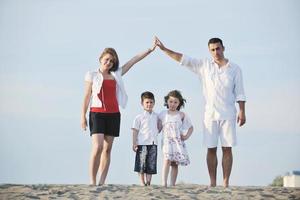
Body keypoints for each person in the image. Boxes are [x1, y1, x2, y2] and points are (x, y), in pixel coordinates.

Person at [155, 37, 246, 187]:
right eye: (212, 49)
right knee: (211, 149)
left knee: (227, 149)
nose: (216, 52)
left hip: (228, 114)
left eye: (218, 48)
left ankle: (225, 182)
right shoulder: (204, 65)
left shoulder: (235, 69)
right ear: (209, 51)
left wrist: (242, 111)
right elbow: (183, 59)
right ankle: (212, 182)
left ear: (223, 48)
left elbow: (240, 92)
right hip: (210, 115)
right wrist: (165, 50)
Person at [81, 42, 156, 185]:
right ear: (101, 58)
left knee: (107, 149)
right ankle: (92, 181)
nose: (109, 62)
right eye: (107, 59)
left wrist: (149, 50)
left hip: (114, 114)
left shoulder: (116, 74)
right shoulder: (91, 75)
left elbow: (133, 60)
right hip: (96, 113)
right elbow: (86, 96)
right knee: (97, 147)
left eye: (112, 61)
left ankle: (101, 182)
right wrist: (82, 117)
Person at [159, 90, 193, 187]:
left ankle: (172, 184)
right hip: (166, 142)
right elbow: (158, 127)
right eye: (171, 102)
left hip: (177, 142)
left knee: (175, 163)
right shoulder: (163, 114)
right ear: (167, 102)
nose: (173, 104)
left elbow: (191, 127)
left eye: (175, 102)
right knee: (167, 160)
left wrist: (186, 136)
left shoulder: (181, 115)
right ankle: (164, 183)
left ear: (179, 103)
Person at [132, 91, 160, 186]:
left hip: (153, 143)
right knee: (141, 163)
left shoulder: (157, 116)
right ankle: (142, 182)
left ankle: (148, 182)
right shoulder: (139, 117)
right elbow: (135, 131)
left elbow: (159, 127)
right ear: (142, 103)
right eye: (147, 102)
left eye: (151, 102)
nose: (149, 104)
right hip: (142, 143)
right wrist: (134, 143)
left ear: (154, 103)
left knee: (151, 164)